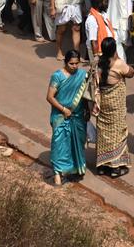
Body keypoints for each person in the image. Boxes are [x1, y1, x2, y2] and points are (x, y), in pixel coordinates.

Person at [91, 35, 134, 177]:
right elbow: (131, 73)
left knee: (103, 132)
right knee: (117, 132)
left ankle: (102, 166)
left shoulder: (97, 63)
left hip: (103, 102)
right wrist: (118, 58)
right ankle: (115, 167)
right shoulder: (118, 64)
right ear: (114, 50)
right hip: (115, 104)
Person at [46, 48, 89, 184]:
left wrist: (87, 110)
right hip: (61, 116)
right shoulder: (57, 76)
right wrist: (63, 109)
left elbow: (85, 95)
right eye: (71, 64)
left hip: (77, 116)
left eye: (77, 63)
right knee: (60, 144)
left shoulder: (82, 75)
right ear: (65, 63)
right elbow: (50, 97)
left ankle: (74, 170)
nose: (75, 67)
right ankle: (58, 173)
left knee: (76, 143)